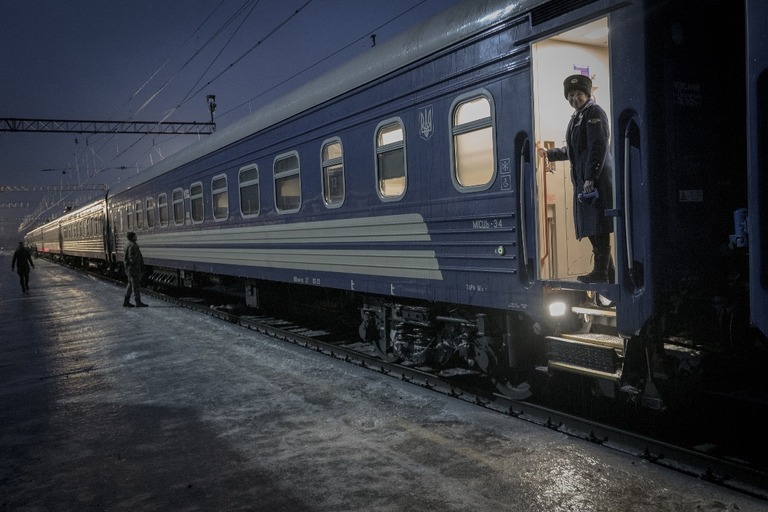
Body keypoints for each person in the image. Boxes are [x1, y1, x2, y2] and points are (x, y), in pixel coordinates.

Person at [538, 74, 614, 283]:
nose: (574, 98)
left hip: (594, 180)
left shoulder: (594, 113)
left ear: (587, 94)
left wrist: (590, 177)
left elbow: (597, 146)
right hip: (585, 180)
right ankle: (609, 272)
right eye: (570, 95)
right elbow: (576, 150)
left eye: (578, 94)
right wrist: (551, 153)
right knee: (592, 226)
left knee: (597, 225)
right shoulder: (578, 116)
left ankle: (601, 272)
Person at [123, 231, 148, 307]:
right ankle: (138, 301)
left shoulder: (128, 244)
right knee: (136, 285)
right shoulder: (133, 246)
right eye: (135, 236)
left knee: (130, 285)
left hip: (130, 268)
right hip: (133, 268)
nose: (136, 237)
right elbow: (132, 258)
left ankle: (126, 301)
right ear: (132, 237)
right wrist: (137, 265)